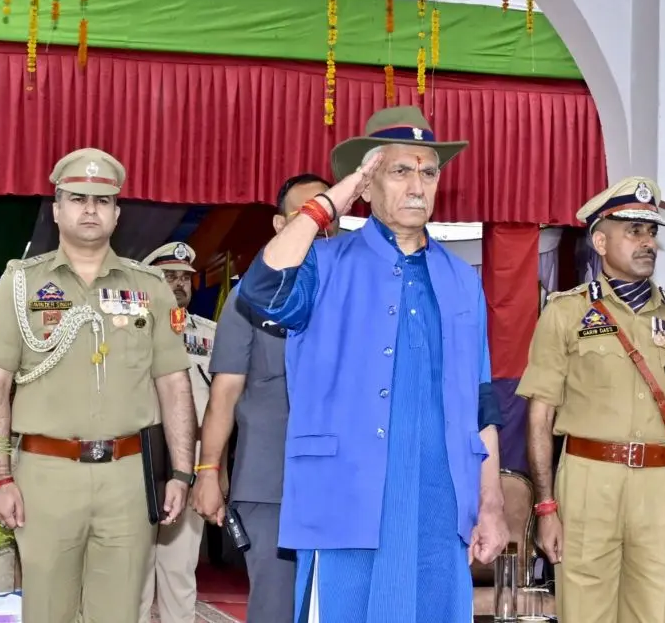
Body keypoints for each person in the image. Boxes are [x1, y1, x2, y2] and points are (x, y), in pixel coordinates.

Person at [238, 105, 509, 623]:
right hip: (345, 499)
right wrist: (331, 201)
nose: (417, 186)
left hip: (439, 503)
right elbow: (262, 289)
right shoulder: (324, 263)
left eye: (428, 172)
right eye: (399, 170)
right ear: (367, 183)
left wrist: (491, 502)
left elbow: (481, 400)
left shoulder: (461, 279)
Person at [0, 148, 197, 623]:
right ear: (56, 209)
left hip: (127, 477)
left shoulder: (150, 288)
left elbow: (174, 384)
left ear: (117, 214)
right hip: (45, 475)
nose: (89, 209)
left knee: (119, 613)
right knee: (47, 612)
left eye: (102, 201)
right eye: (77, 198)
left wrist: (182, 473)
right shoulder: (19, 286)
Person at [519, 177, 665, 623]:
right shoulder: (566, 312)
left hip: (661, 484)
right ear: (600, 242)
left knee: (653, 612)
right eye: (633, 231)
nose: (647, 242)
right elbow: (540, 414)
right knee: (584, 613)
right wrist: (546, 506)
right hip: (589, 480)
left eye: (651, 232)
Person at [193, 173, 339, 623]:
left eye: (327, 216)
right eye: (306, 214)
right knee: (276, 606)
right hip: (271, 484)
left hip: (343, 483)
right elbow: (224, 394)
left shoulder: (355, 295)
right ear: (280, 225)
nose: (318, 226)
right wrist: (208, 471)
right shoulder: (248, 298)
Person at [139, 241, 217, 623]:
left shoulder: (211, 334)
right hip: (139, 455)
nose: (179, 283)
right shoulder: (129, 328)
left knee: (180, 567)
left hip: (193, 456)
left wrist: (216, 469)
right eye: (169, 275)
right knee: (133, 570)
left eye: (185, 277)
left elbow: (221, 405)